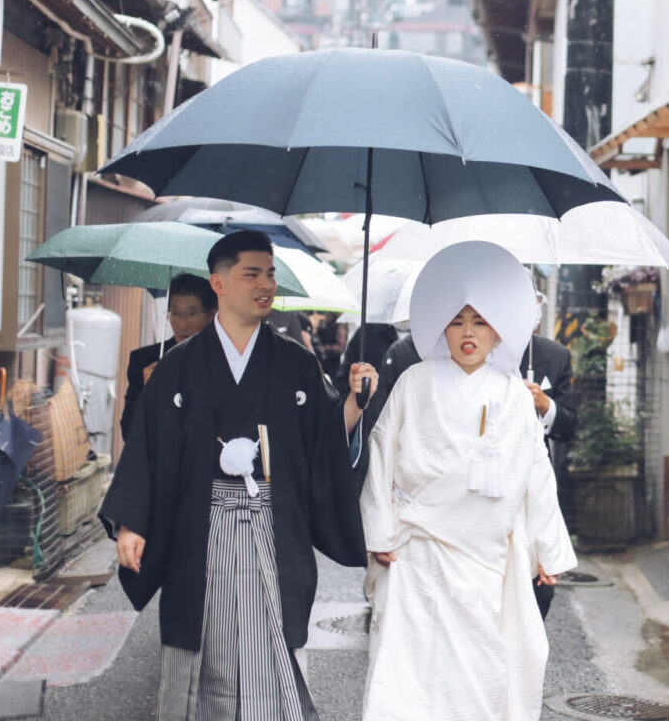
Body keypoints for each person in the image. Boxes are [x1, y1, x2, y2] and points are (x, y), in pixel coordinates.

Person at [99, 230, 377, 721]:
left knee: (272, 646)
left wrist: (355, 399)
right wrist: (132, 522)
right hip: (198, 531)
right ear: (219, 283)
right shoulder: (179, 366)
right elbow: (148, 447)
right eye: (252, 273)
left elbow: (323, 441)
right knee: (200, 647)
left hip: (273, 529)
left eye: (270, 273)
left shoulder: (296, 363)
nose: (265, 284)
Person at [360, 241, 576, 721]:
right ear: (442, 327)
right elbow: (381, 452)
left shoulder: (517, 396)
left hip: (486, 549)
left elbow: (536, 473)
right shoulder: (415, 381)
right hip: (418, 545)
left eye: (480, 322)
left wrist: (547, 549)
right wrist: (379, 531)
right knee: (410, 662)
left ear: (499, 331)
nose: (468, 333)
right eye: (457, 321)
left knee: (483, 660)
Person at [120, 273, 215, 444]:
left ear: (211, 314)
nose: (182, 324)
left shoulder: (223, 361)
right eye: (175, 313)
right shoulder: (144, 360)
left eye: (192, 313)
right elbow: (129, 432)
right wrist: (148, 394)